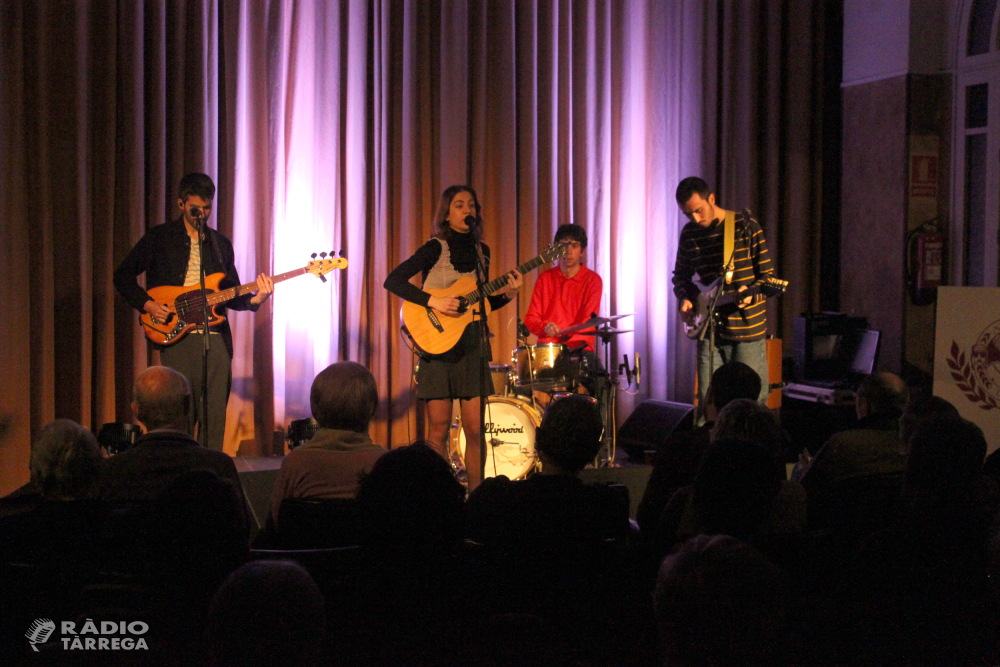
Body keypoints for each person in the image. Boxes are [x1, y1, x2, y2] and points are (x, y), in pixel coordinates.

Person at [114, 173, 274, 450]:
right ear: (180, 204)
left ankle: (208, 472)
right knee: (180, 412)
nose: (203, 214)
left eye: (208, 208)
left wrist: (256, 299)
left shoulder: (220, 244)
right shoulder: (159, 237)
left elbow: (232, 292)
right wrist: (148, 305)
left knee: (215, 415)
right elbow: (123, 276)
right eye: (196, 209)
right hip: (179, 338)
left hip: (216, 336)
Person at [383, 185, 521, 489]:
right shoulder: (434, 247)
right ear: (446, 213)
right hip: (437, 346)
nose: (467, 210)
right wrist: (432, 301)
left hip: (471, 345)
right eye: (459, 205)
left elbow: (480, 304)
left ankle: (477, 498)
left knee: (475, 430)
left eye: (471, 204)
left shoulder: (481, 251)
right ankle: (438, 499)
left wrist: (509, 295)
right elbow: (392, 280)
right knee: (439, 429)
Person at [672, 177, 773, 409]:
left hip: (746, 327)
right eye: (688, 214)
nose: (695, 219)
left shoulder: (744, 226)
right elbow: (681, 276)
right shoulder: (690, 234)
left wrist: (752, 295)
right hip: (709, 329)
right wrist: (685, 298)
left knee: (749, 403)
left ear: (711, 199)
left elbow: (768, 277)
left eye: (698, 210)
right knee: (708, 403)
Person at [100, 365, 246, 513]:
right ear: (187, 405)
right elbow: (241, 528)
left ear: (136, 410)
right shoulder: (218, 466)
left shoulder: (112, 470)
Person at [268, 361, 387, 527]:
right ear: (373, 408)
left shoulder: (296, 464)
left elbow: (274, 525)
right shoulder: (386, 465)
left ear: (314, 408)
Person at [524, 223, 603, 352]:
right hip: (548, 351)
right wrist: (545, 327)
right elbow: (531, 319)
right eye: (563, 246)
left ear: (582, 251)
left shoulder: (593, 280)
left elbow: (588, 323)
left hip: (580, 349)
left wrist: (565, 349)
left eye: (574, 246)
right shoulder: (544, 278)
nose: (568, 251)